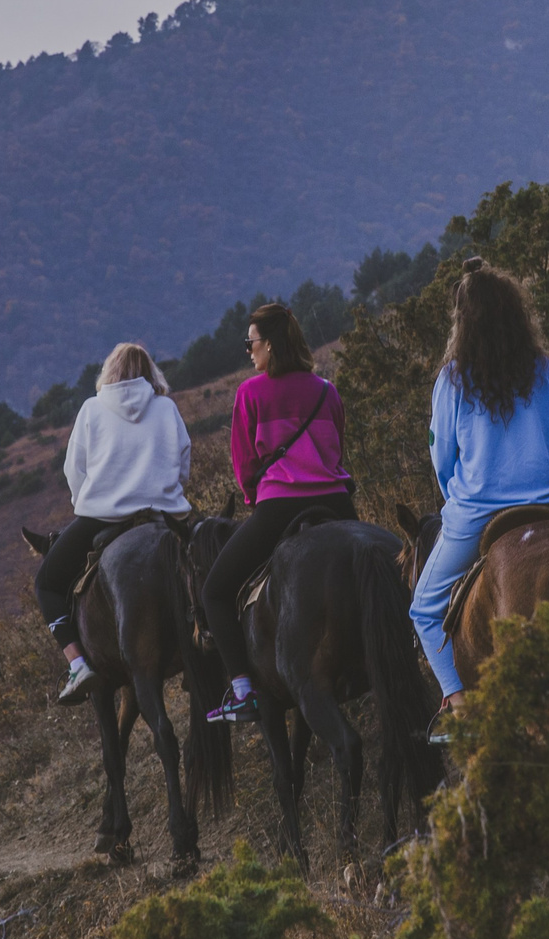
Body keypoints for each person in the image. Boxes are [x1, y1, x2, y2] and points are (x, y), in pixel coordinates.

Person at [410, 259, 549, 721]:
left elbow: (442, 457)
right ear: (515, 311)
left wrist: (458, 495)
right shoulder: (545, 369)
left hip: (478, 514)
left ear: (463, 322)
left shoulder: (451, 380)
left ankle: (460, 703)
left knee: (424, 610)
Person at [203, 302, 353, 724]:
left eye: (250, 342)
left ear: (268, 344)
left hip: (279, 506)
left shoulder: (249, 394)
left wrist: (257, 499)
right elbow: (337, 450)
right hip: (336, 501)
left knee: (214, 591)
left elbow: (245, 468)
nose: (248, 350)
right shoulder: (327, 390)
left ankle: (244, 690)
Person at [33, 342, 193, 705]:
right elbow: (183, 460)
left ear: (109, 372)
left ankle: (78, 665)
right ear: (151, 372)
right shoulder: (166, 407)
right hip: (164, 515)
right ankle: (213, 648)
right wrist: (168, 492)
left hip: (101, 516)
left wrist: (88, 501)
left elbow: (74, 470)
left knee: (46, 582)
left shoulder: (91, 409)